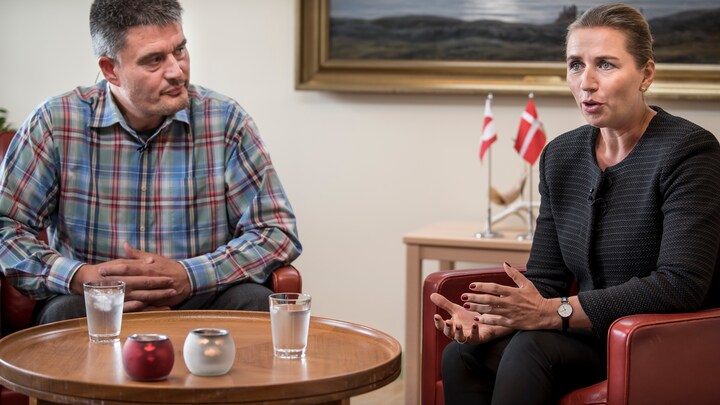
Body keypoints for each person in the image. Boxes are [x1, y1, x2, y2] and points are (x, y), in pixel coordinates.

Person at [431, 3, 720, 404]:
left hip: (657, 339)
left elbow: (680, 285)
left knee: (531, 350)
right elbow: (546, 281)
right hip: (585, 333)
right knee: (463, 354)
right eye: (575, 65)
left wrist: (554, 313)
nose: (586, 83)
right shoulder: (560, 155)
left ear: (646, 75)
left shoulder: (690, 151)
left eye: (605, 65)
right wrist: (499, 319)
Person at [0, 0, 301, 324]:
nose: (176, 71)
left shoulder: (226, 121)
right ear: (110, 69)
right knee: (62, 315)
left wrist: (190, 275)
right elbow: (7, 229)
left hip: (200, 300)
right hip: (93, 303)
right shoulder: (54, 122)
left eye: (180, 50)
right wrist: (80, 277)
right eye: (154, 60)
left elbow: (275, 231)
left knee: (254, 302)